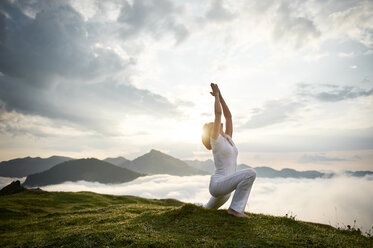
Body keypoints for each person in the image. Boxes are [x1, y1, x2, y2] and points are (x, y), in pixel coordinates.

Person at [202, 83, 256, 218]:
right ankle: (235, 210)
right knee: (250, 173)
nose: (217, 122)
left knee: (206, 209)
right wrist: (216, 97)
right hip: (218, 184)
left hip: (225, 190)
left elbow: (228, 117)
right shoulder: (216, 140)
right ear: (212, 130)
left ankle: (192, 207)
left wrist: (220, 95)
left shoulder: (228, 138)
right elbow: (218, 113)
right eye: (213, 123)